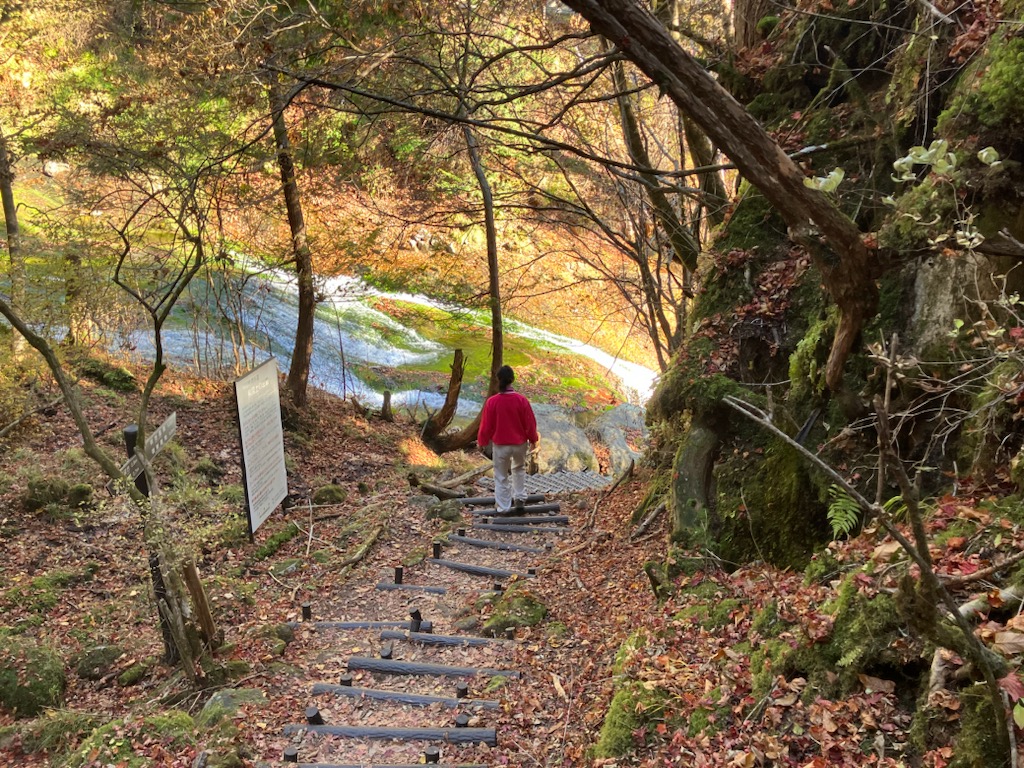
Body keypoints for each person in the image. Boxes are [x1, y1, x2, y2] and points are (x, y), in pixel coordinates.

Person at [477, 365, 539, 513]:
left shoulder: (492, 402)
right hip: (519, 444)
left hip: (501, 444)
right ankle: (519, 497)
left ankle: (503, 507)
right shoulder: (522, 400)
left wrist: (482, 442)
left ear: (498, 380)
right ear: (512, 380)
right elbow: (530, 423)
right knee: (519, 469)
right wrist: (533, 440)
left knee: (501, 475)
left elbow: (486, 426)